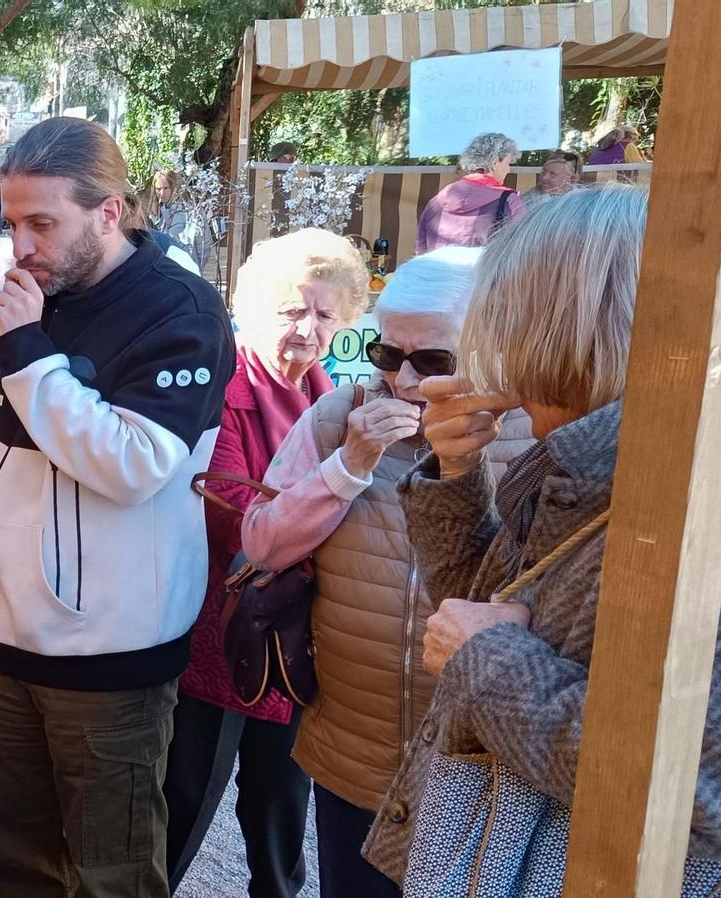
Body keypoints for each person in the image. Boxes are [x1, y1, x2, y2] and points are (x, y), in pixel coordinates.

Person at [364, 185, 721, 886]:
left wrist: (492, 658)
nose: (488, 350)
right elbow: (473, 608)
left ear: (554, 325)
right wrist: (454, 473)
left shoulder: (711, 509)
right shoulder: (586, 461)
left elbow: (707, 799)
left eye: (500, 320)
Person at [0, 116, 235, 898]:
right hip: (8, 637)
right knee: (15, 860)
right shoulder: (34, 296)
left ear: (109, 211)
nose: (21, 245)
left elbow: (134, 465)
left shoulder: (180, 310)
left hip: (112, 658)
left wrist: (23, 351)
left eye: (43, 223)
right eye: (12, 222)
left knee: (110, 875)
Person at [236, 245, 530, 898]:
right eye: (388, 355)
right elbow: (261, 543)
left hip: (479, 769)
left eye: (432, 362)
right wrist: (349, 464)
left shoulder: (534, 439)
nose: (400, 381)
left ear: (492, 341)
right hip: (354, 756)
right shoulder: (340, 418)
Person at [162, 228, 368, 897]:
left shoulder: (332, 397)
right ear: (253, 308)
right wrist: (325, 503)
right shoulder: (223, 389)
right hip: (218, 630)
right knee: (185, 798)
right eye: (292, 310)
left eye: (325, 314)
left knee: (282, 810)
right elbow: (229, 513)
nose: (307, 328)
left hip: (297, 640)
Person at [416, 131, 524, 254]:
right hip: (482, 272)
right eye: (508, 163)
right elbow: (519, 252)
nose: (509, 170)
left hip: (436, 271)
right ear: (494, 161)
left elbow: (420, 251)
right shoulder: (508, 201)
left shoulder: (437, 201)